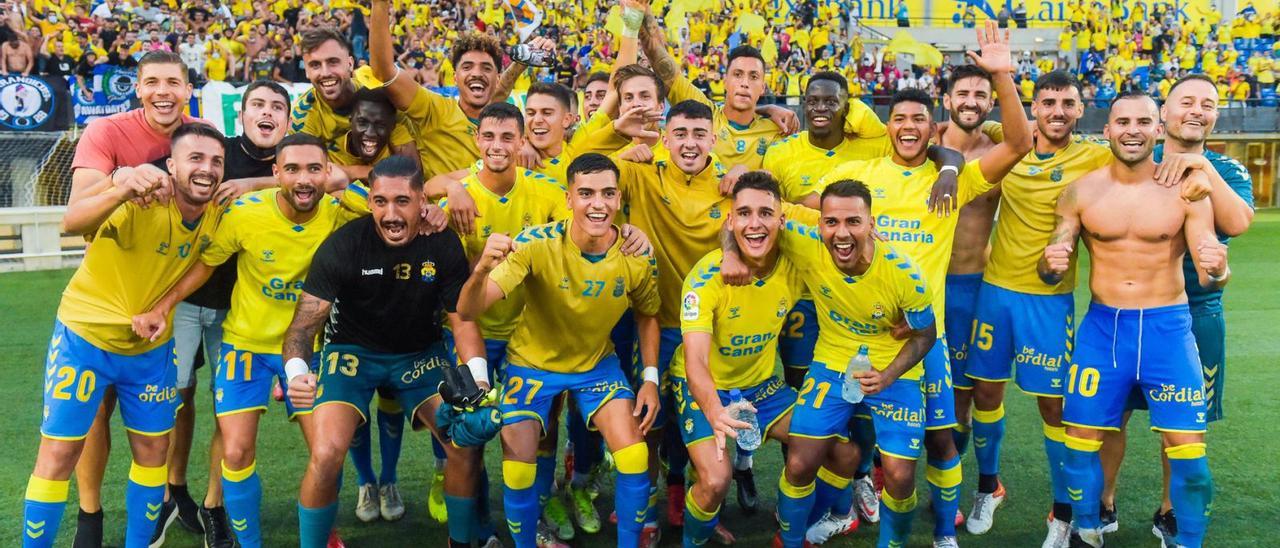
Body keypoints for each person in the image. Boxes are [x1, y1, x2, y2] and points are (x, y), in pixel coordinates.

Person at [814, 24, 1033, 546]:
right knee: (851, 431)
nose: (908, 126)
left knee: (939, 438)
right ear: (887, 127)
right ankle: (846, 508)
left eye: (918, 118)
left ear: (931, 129)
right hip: (860, 332)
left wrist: (1001, 75)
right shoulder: (861, 175)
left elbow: (1021, 143)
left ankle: (943, 533)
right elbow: (805, 207)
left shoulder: (957, 178)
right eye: (899, 118)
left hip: (922, 335)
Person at [131, 133, 357, 548]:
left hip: (310, 349)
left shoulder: (341, 214)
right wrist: (162, 306)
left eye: (313, 169)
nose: (303, 179)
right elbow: (205, 265)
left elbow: (390, 202)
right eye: (291, 169)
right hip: (246, 345)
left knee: (326, 453)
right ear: (275, 174)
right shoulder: (247, 214)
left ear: (328, 172)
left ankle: (324, 529)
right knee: (235, 453)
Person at [22, 122, 226, 548]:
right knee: (59, 453)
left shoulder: (218, 213)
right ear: (170, 165)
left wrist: (162, 307)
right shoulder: (144, 198)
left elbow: (206, 261)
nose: (206, 169)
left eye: (216, 162)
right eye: (195, 158)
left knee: (153, 452)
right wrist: (120, 185)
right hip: (85, 339)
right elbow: (70, 221)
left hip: (150, 351)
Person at [1037, 91, 1224, 548]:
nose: (1133, 130)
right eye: (1123, 122)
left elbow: (1211, 273)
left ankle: (1188, 539)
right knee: (1080, 445)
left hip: (1169, 329)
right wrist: (1050, 263)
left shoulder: (1187, 189)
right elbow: (1051, 262)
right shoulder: (1080, 191)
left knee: (1191, 458)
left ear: (1158, 130)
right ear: (1107, 130)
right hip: (1105, 330)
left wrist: (1218, 267)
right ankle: (1087, 530)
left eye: (1143, 121)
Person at [279, 155, 490, 548]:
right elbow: (302, 326)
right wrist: (296, 373)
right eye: (380, 202)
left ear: (423, 201)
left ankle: (460, 542)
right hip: (351, 353)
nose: (390, 213)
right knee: (325, 454)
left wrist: (478, 378)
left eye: (402, 202)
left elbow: (461, 318)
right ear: (370, 201)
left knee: (464, 443)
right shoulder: (345, 244)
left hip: (419, 353)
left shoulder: (441, 242)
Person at [456, 153, 662, 548]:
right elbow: (468, 310)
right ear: (568, 198)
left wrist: (649, 380)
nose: (597, 204)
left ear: (619, 199)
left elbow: (648, 315)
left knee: (635, 458)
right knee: (518, 471)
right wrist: (481, 268)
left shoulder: (636, 256)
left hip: (596, 367)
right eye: (585, 193)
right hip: (531, 365)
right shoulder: (536, 244)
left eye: (607, 193)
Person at [1099, 74, 1255, 543]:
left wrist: (1199, 166)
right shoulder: (1133, 160)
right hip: (1124, 311)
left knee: (1182, 429)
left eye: (1208, 104)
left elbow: (1237, 222)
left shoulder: (1226, 170)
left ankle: (1168, 511)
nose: (1197, 110)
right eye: (1186, 101)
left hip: (1198, 314)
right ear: (1162, 113)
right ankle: (1103, 502)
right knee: (1109, 417)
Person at [961, 70, 1113, 543]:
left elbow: (1145, 155)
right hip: (995, 292)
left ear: (1080, 110)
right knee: (985, 394)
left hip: (1049, 302)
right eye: (1048, 103)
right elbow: (974, 125)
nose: (1058, 112)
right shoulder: (1009, 142)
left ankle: (1061, 512)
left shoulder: (1096, 156)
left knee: (1054, 408)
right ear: (1034, 107)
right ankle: (989, 487)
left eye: (1068, 104)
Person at [63, 50, 200, 548]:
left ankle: (172, 493)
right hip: (111, 293)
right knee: (96, 408)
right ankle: (90, 515)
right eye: (152, 83)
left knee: (179, 397)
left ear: (188, 90)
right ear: (138, 89)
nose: (163, 92)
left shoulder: (201, 136)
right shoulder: (107, 132)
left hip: (173, 296)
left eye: (173, 83)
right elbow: (78, 210)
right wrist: (121, 178)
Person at [148, 80, 292, 548]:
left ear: (289, 119)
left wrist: (259, 181)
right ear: (242, 115)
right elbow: (153, 173)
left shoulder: (295, 160)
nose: (266, 113)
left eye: (276, 106)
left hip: (239, 310)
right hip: (187, 297)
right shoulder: (215, 150)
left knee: (226, 411)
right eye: (258, 105)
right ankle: (171, 492)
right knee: (174, 398)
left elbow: (338, 175)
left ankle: (215, 505)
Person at [771, 179, 937, 548]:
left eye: (853, 222)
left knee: (898, 476)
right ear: (820, 225)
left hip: (894, 371)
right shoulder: (805, 242)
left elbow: (926, 335)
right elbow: (745, 223)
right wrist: (732, 253)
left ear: (871, 223)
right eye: (831, 222)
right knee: (799, 463)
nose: (841, 233)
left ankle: (890, 543)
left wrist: (889, 374)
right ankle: (791, 539)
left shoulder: (904, 274)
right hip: (831, 360)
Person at [674, 172, 808, 547]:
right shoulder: (705, 277)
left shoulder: (798, 264)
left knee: (831, 449)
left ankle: (794, 523)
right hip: (707, 388)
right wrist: (715, 411)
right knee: (715, 480)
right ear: (730, 221)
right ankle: (694, 536)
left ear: (782, 220)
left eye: (766, 213)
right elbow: (695, 362)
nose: (755, 224)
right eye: (744, 213)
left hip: (762, 386)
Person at [936, 63, 1000, 482]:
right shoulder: (921, 139)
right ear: (947, 100)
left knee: (975, 391)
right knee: (926, 389)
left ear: (991, 103)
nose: (971, 102)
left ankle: (983, 482)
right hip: (925, 283)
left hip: (976, 284)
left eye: (981, 95)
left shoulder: (1000, 151)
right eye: (963, 94)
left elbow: (1032, 132)